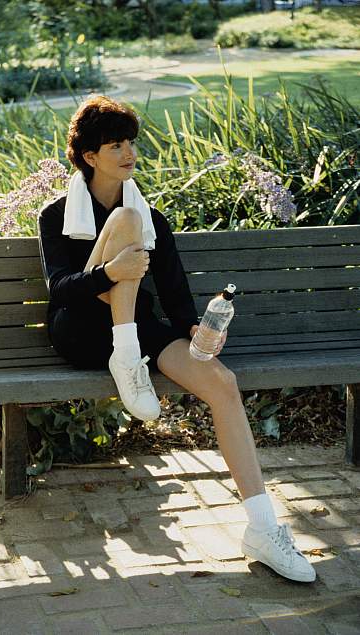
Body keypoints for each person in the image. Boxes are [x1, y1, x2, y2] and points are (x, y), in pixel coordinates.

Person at [37, 95, 316, 584]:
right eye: (115, 145)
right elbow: (60, 290)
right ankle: (126, 360)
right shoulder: (57, 215)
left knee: (222, 383)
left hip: (141, 333)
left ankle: (264, 529)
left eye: (130, 143)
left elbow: (174, 294)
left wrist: (195, 327)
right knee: (124, 222)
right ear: (89, 157)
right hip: (81, 330)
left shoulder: (151, 218)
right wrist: (110, 273)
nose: (128, 153)